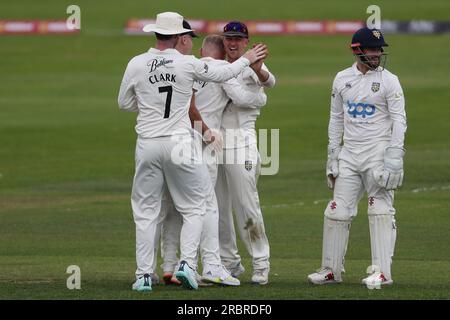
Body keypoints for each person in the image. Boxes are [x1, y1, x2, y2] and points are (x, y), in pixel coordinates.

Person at [117, 11, 267, 292]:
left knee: (148, 212)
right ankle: (195, 265)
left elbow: (124, 103)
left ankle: (143, 275)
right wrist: (248, 59)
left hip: (147, 143)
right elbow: (224, 71)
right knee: (201, 206)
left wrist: (151, 105)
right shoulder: (187, 64)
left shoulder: (136, 63)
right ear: (179, 38)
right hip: (180, 143)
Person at [159, 34, 267, 286]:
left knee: (178, 208)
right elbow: (245, 98)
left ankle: (170, 266)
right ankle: (209, 265)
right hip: (206, 145)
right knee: (207, 207)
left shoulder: (189, 65)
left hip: (173, 144)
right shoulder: (219, 68)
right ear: (220, 53)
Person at [307, 27, 407, 288]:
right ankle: (331, 269)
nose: (377, 54)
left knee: (379, 208)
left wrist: (395, 156)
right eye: (372, 49)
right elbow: (336, 119)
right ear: (357, 50)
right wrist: (333, 156)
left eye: (379, 49)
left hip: (378, 153)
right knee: (336, 211)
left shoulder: (389, 80)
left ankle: (382, 272)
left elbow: (399, 120)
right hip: (349, 154)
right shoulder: (341, 78)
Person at [216, 21, 276, 285]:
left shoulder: (250, 64)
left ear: (246, 41)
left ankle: (261, 262)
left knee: (245, 204)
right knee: (217, 207)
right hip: (215, 144)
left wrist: (258, 68)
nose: (233, 43)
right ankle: (229, 262)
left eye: (238, 39)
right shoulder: (218, 65)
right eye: (229, 38)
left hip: (242, 144)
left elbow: (270, 81)